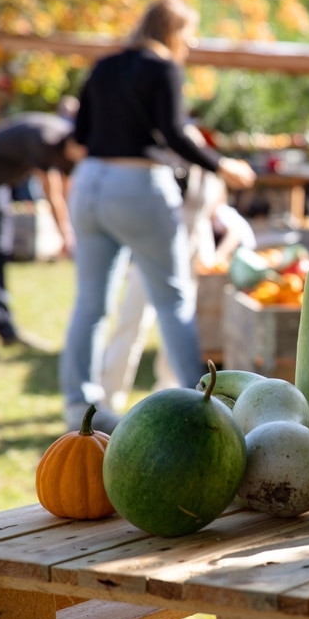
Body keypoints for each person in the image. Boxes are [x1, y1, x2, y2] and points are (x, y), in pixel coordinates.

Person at [59, 0, 256, 432]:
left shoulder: (105, 66)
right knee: (173, 299)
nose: (192, 41)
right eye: (188, 32)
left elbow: (79, 137)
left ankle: (79, 407)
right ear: (171, 30)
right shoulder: (163, 67)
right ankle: (198, 401)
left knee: (90, 304)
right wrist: (223, 166)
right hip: (137, 185)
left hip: (89, 182)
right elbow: (173, 133)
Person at [99, 128, 256, 413]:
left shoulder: (208, 173)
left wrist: (208, 255)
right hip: (155, 251)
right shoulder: (166, 166)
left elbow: (204, 220)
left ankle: (169, 395)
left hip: (189, 259)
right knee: (132, 321)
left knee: (178, 327)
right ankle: (108, 399)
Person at [0, 112, 83, 360]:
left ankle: (7, 332)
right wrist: (65, 235)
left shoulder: (67, 147)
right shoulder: (44, 137)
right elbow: (53, 192)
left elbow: (68, 188)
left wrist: (73, 230)